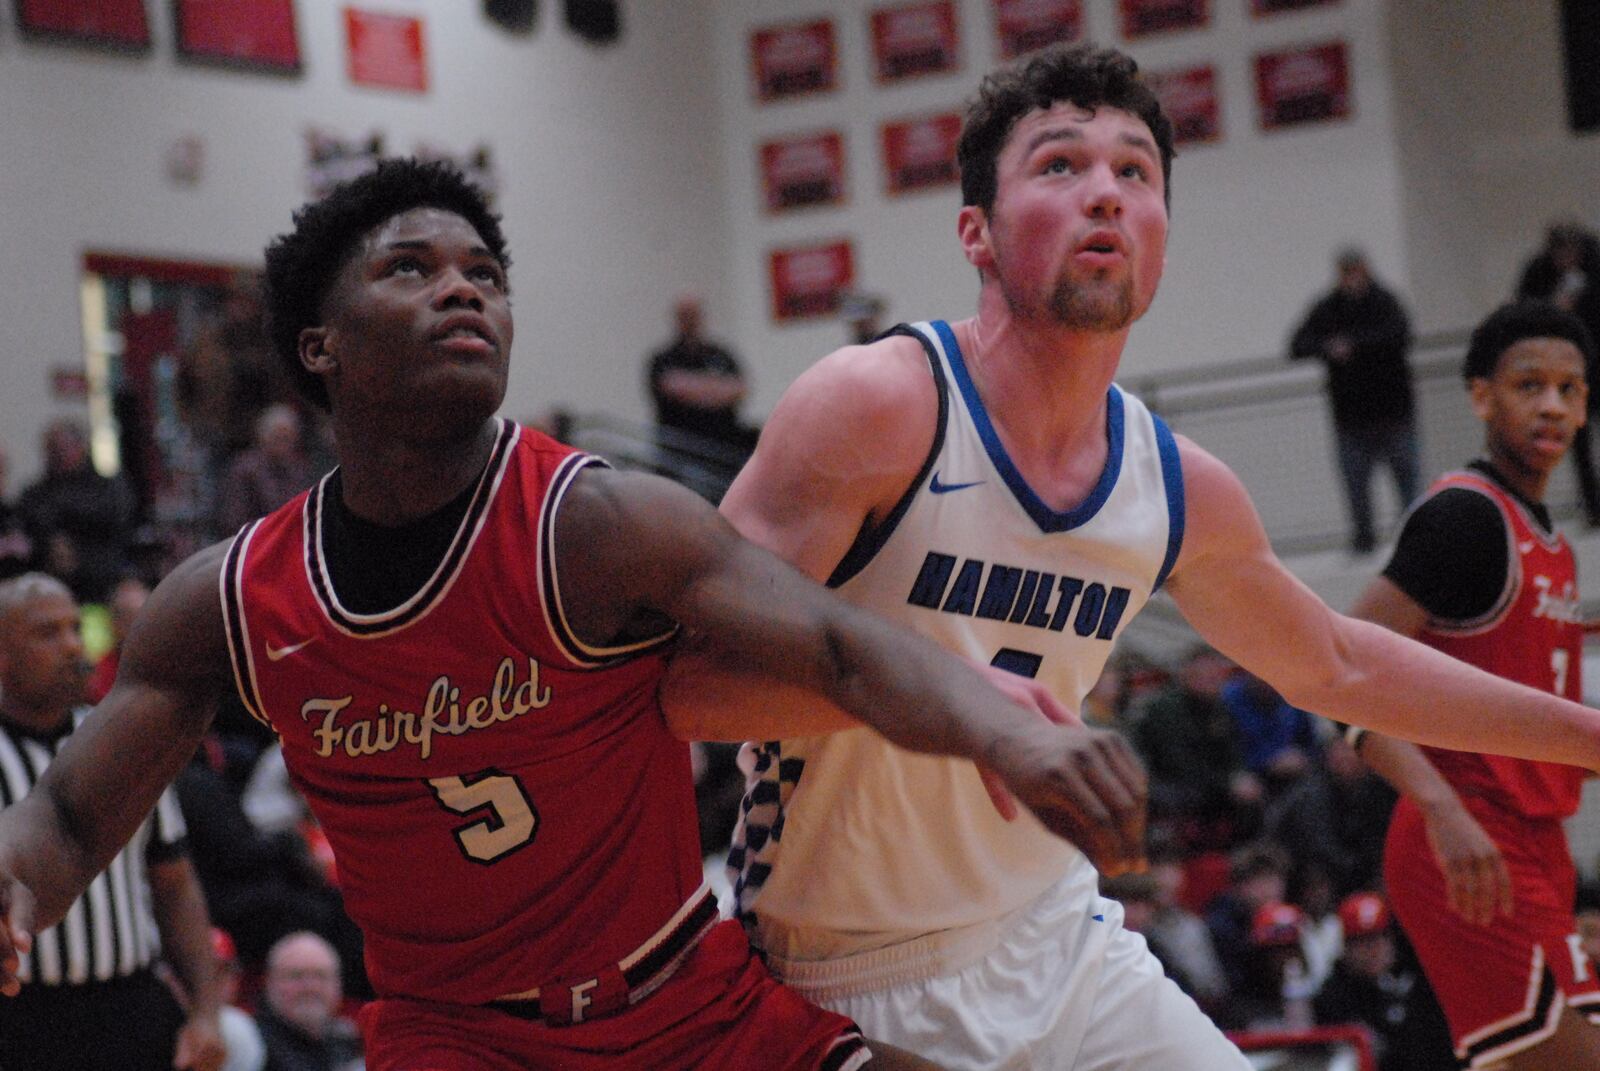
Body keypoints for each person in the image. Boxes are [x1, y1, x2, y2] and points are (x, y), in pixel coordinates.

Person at [0, 158, 1150, 1071]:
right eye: (410, 269)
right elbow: (65, 813)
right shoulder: (232, 598)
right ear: (321, 347)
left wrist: (1011, 731)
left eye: (483, 275)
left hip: (686, 1006)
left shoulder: (598, 524)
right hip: (454, 1037)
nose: (462, 288)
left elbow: (843, 646)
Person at [661, 42, 1600, 1070]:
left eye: (1134, 171)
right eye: (1059, 165)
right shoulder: (878, 406)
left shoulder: (1175, 482)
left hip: (1061, 943)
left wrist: (1586, 737)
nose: (1103, 193)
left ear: (1160, 236)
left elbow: (1338, 663)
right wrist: (945, 695)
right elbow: (693, 687)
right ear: (975, 231)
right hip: (844, 975)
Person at [1348, 300, 1600, 1069]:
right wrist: (1440, 807)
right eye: (1530, 384)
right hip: (1464, 832)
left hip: (1537, 834)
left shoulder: (1552, 542)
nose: (1553, 404)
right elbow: (1339, 674)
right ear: (1482, 394)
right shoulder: (1465, 516)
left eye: (1571, 387)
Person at [0, 572, 225, 1071]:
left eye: (75, 628)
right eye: (46, 633)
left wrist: (207, 1010)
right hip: (18, 1016)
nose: (71, 646)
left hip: (127, 1005)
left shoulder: (120, 743)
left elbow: (175, 882)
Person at [1290, 248, 1419, 553]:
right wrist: (1328, 347)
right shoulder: (1328, 307)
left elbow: (1400, 334)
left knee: (1407, 485)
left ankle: (1415, 541)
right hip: (1351, 419)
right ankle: (1364, 541)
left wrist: (1354, 346)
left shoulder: (1384, 302)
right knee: (1356, 488)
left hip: (1394, 413)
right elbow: (1297, 345)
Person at [1515, 221, 1600, 524]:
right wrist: (1555, 309)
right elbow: (1523, 312)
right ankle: (1593, 507)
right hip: (1565, 372)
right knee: (1578, 441)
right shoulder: (1538, 275)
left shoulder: (1595, 265)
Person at [16, 418, 137, 602]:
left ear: (81, 447)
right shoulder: (35, 493)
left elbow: (113, 523)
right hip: (55, 589)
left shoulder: (107, 488)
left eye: (62, 448)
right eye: (51, 450)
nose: (56, 456)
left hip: (104, 584)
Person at [1312, 892, 1417, 1071]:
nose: (1373, 951)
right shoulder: (1332, 997)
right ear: (1346, 947)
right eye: (1362, 942)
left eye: (1379, 938)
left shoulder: (1412, 984)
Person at [646, 295, 751, 451]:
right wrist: (716, 388)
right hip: (681, 447)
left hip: (724, 442)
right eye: (685, 314)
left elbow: (739, 389)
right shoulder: (663, 358)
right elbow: (673, 387)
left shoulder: (720, 353)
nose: (690, 320)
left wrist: (695, 387)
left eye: (694, 314)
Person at [255, 931, 362, 1071]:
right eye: (296, 976)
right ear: (269, 982)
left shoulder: (344, 1043)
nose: (310, 988)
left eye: (321, 976)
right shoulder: (253, 1044)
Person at [216, 404, 316, 538]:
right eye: (278, 438)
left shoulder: (299, 469)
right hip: (254, 539)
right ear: (263, 437)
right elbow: (234, 518)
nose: (283, 444)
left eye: (287, 439)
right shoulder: (245, 469)